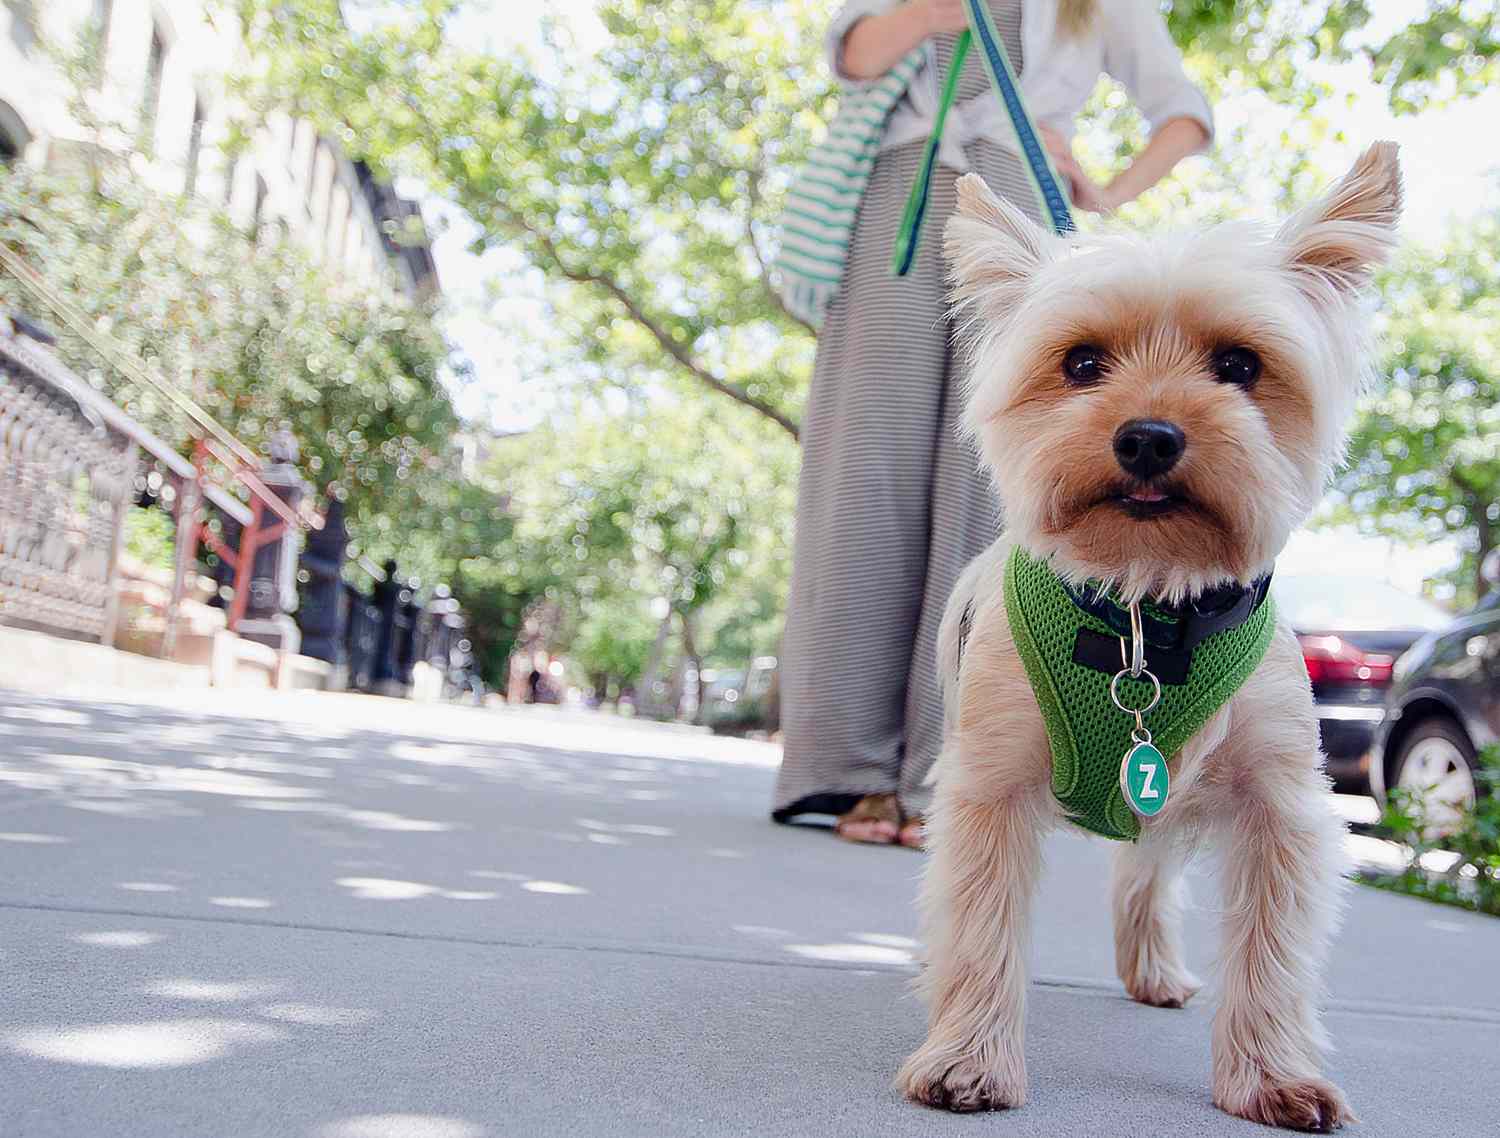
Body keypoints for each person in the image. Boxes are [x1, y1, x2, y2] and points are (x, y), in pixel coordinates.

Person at [772, 0, 1214, 847]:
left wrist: (1108, 188)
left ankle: (950, 773)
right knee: (863, 467)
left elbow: (1184, 112)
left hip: (1018, 204)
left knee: (996, 487)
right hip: (896, 192)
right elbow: (856, 54)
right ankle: (849, 770)